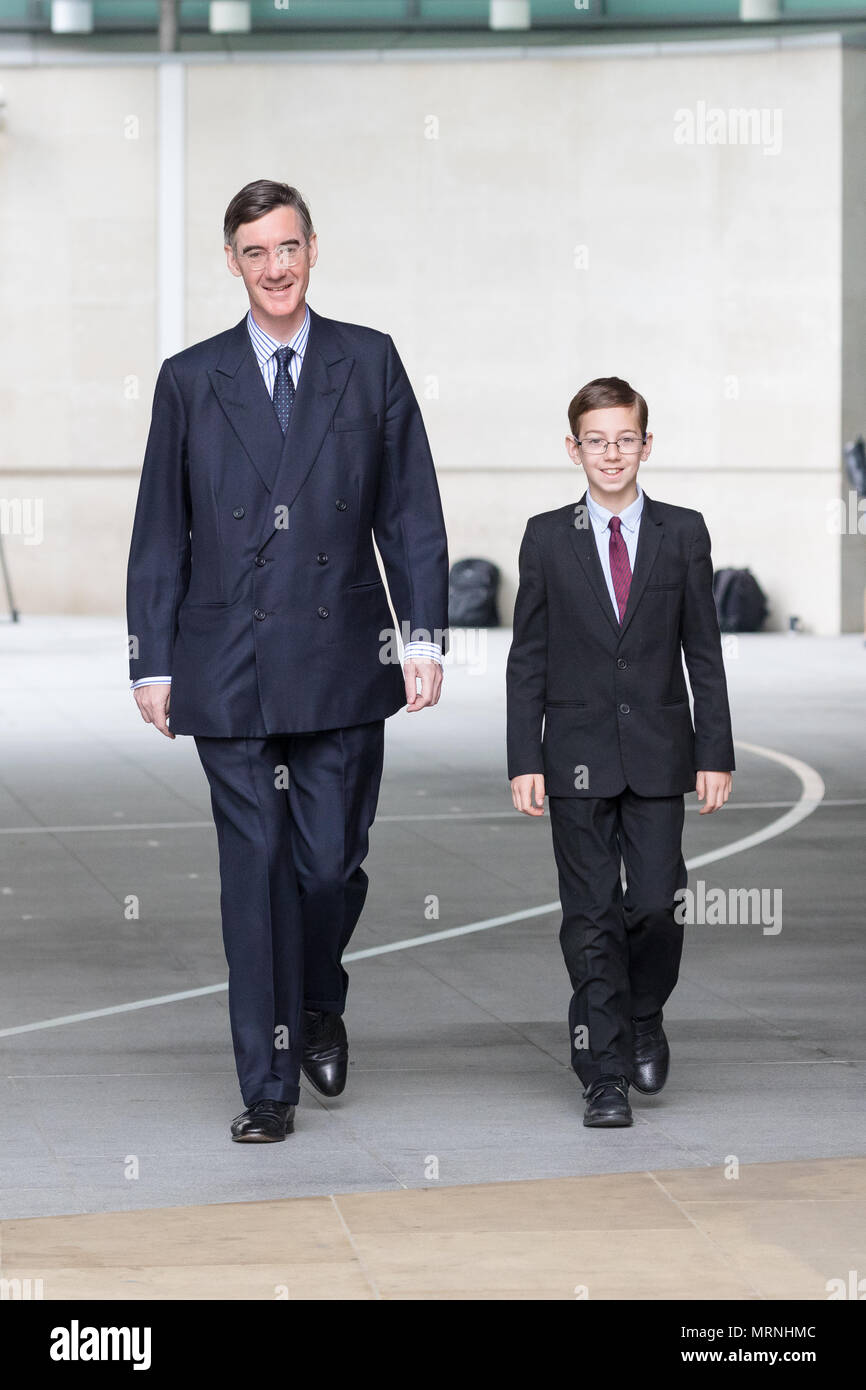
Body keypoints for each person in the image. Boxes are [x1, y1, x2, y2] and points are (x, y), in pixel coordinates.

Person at [126, 180, 449, 1143]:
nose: (275, 268)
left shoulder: (370, 361)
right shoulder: (191, 378)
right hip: (226, 664)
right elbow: (158, 531)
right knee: (256, 868)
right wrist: (151, 661)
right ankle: (268, 1083)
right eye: (255, 252)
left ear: (314, 250)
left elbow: (411, 510)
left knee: (327, 866)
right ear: (232, 261)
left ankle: (318, 998)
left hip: (343, 658)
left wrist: (423, 636)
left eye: (289, 248)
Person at [506, 376, 733, 1128]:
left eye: (625, 438)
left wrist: (715, 751)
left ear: (646, 444)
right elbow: (527, 658)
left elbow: (704, 650)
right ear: (574, 448)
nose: (611, 453)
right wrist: (524, 758)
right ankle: (603, 1074)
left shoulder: (684, 532)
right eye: (596, 440)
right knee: (592, 914)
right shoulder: (545, 537)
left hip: (661, 754)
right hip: (571, 755)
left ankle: (642, 1013)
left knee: (657, 902)